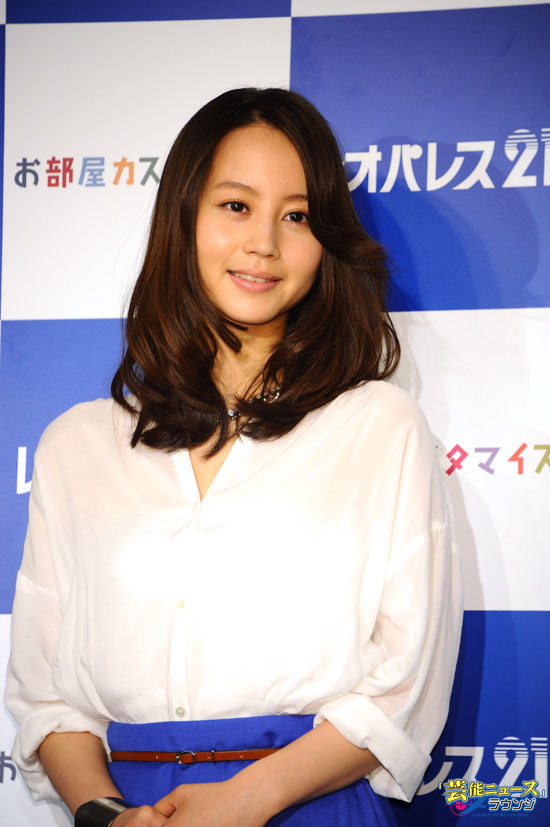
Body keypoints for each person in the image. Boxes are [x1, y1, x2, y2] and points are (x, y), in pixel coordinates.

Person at [6, 87, 462, 826]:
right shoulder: (76, 445)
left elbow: (403, 684)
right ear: (184, 216)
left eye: (298, 216)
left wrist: (247, 799)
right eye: (236, 206)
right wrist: (104, 812)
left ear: (327, 240)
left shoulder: (380, 427)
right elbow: (44, 694)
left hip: (307, 804)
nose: (264, 244)